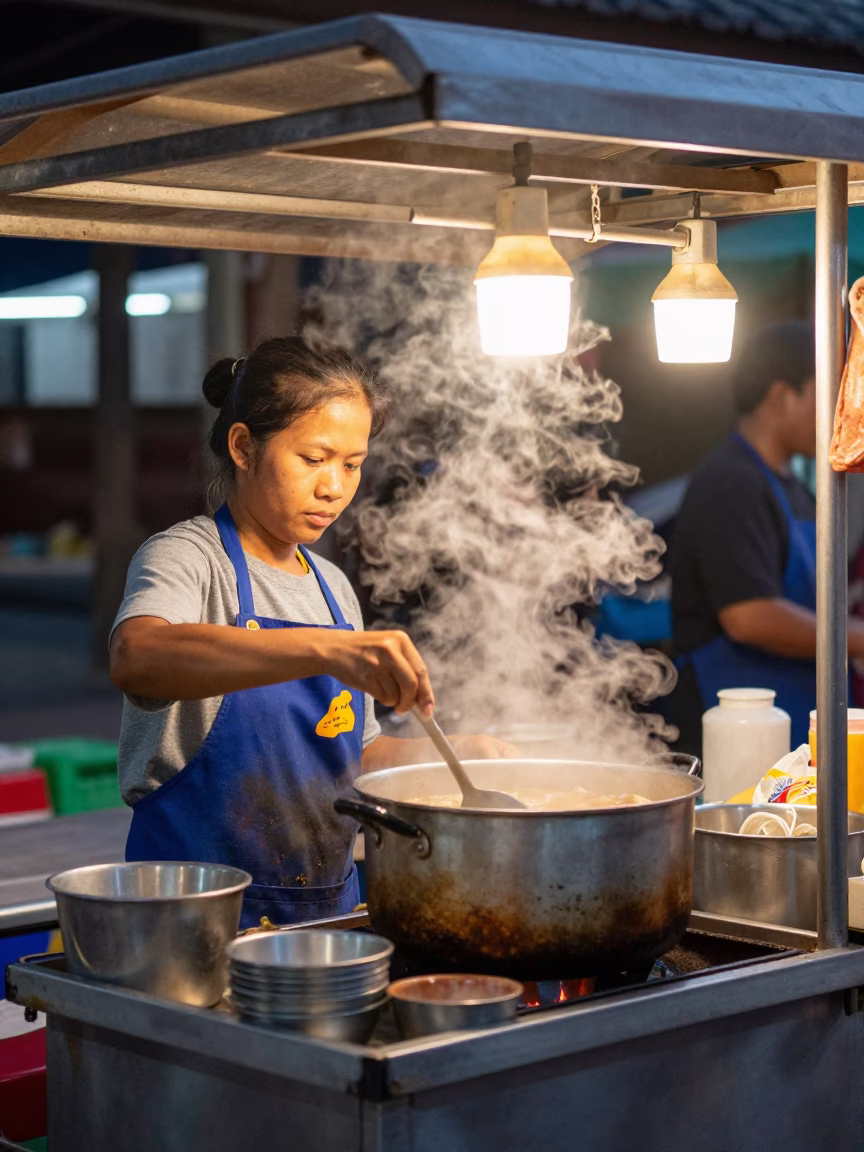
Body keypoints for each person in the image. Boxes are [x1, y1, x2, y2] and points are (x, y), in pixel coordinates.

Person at [110, 337, 513, 929]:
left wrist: (458, 756)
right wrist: (326, 648)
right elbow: (136, 656)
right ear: (244, 446)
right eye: (313, 458)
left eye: (352, 464)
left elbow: (355, 756)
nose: (335, 487)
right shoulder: (188, 558)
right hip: (193, 912)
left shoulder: (331, 586)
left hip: (322, 911)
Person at [671, 319, 864, 753]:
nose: (839, 407)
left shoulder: (791, 485)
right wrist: (857, 637)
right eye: (827, 390)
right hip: (737, 730)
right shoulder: (730, 482)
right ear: (782, 396)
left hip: (793, 724)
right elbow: (749, 616)